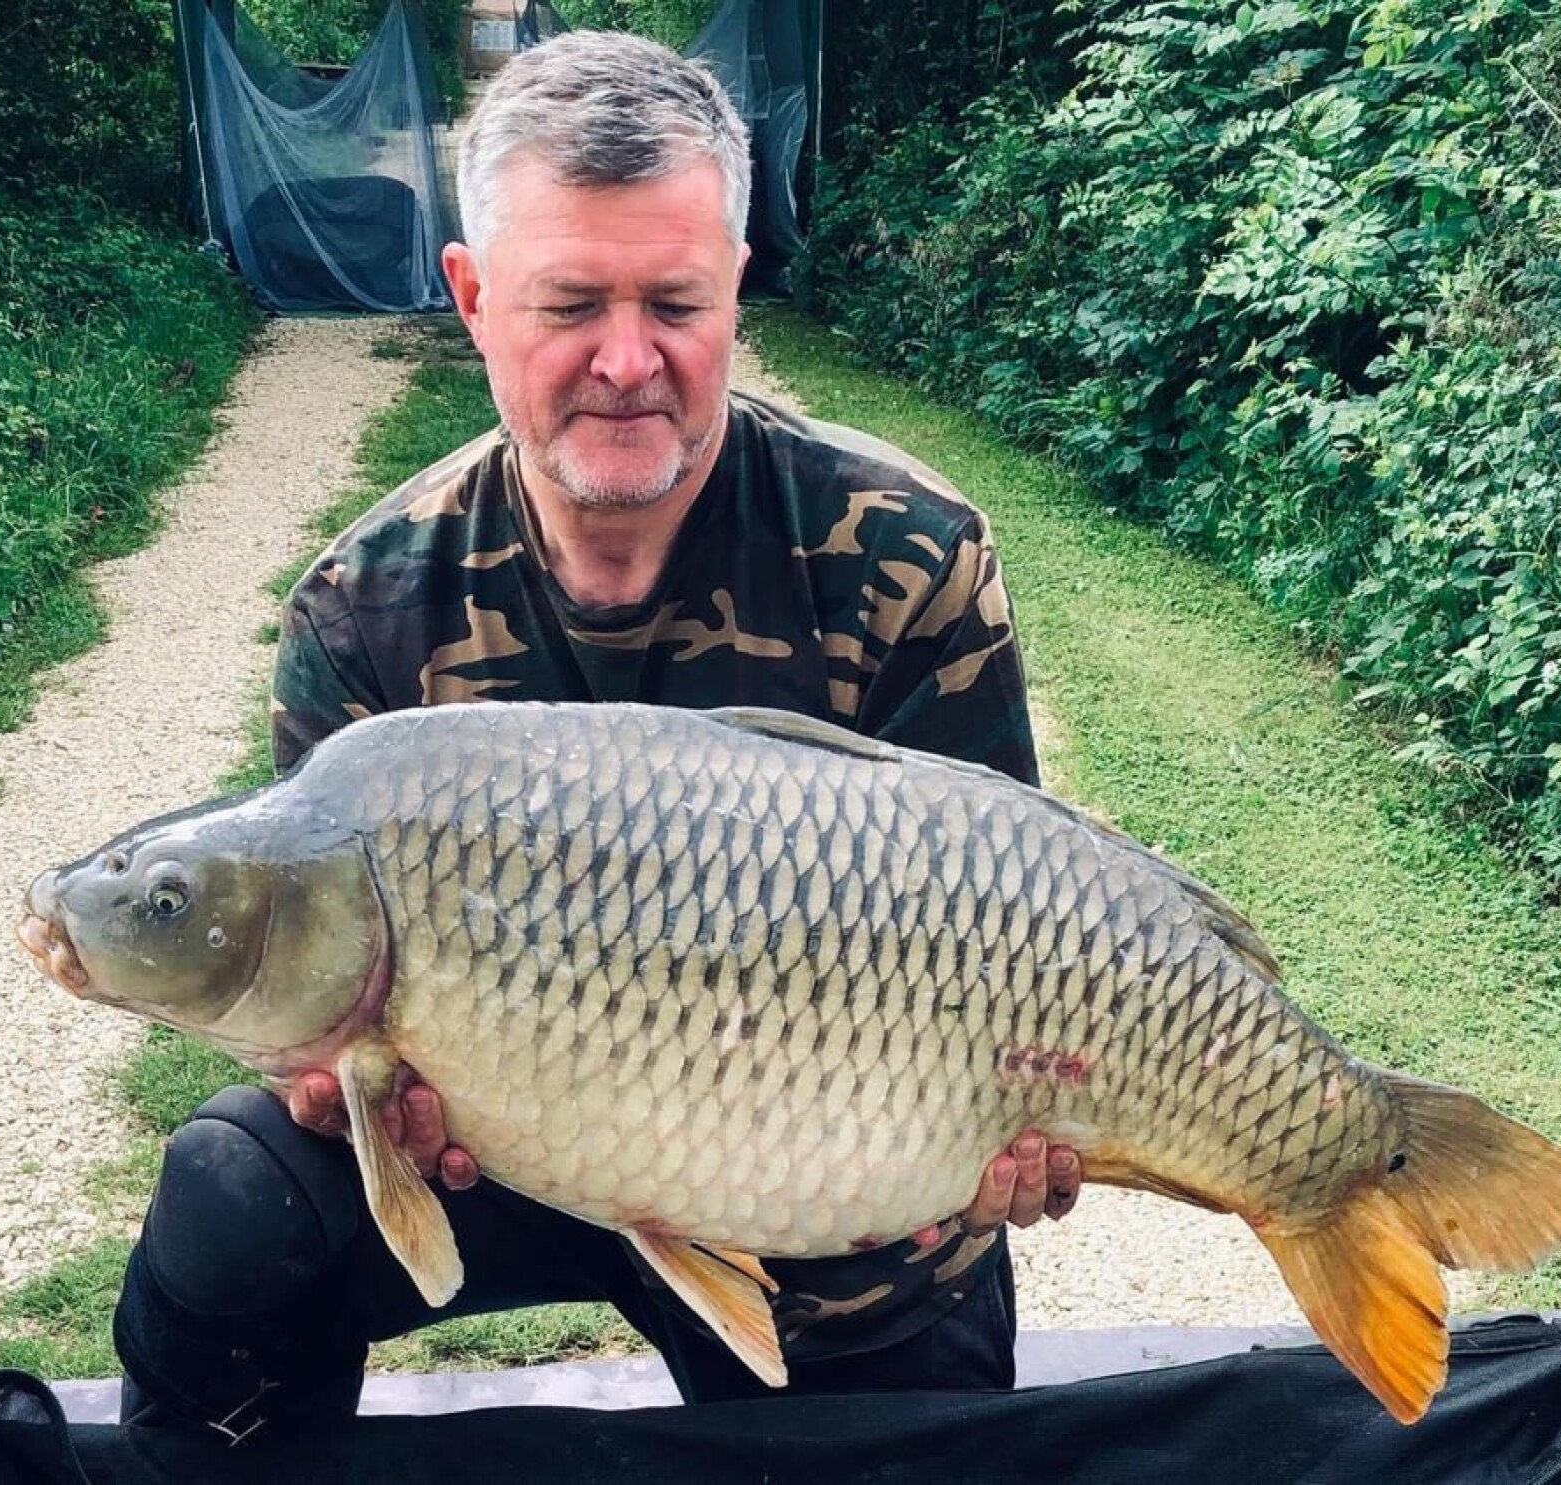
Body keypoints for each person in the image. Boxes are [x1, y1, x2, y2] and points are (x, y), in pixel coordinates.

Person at [113, 31, 1080, 1440]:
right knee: (233, 1192)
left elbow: (1023, 933)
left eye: (676, 303)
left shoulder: (906, 555)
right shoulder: (364, 603)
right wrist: (339, 1087)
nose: (628, 362)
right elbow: (326, 1010)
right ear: (473, 296)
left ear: (736, 284)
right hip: (501, 1144)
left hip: (827, 1165)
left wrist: (1018, 1132)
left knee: (903, 1387)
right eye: (570, 304)